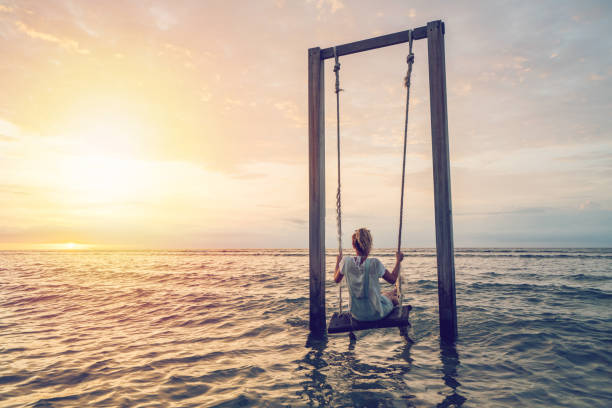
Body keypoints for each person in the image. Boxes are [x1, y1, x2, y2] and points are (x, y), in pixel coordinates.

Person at [334, 227, 405, 321]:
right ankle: (402, 328)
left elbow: (336, 279)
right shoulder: (375, 263)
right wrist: (398, 261)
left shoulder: (345, 262)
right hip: (376, 313)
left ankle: (394, 292)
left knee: (384, 294)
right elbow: (392, 280)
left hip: (356, 314)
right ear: (370, 245)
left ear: (353, 245)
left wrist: (338, 262)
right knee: (393, 299)